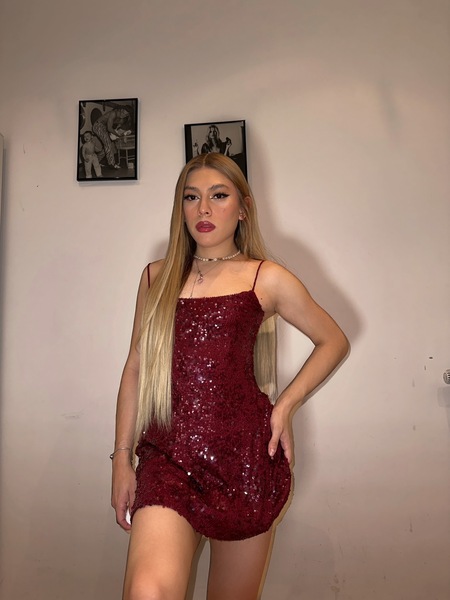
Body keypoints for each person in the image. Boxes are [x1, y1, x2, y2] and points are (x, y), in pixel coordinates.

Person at [111, 153, 349, 600]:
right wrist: (121, 458)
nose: (203, 208)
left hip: (244, 460)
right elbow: (136, 366)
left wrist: (285, 405)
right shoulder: (156, 277)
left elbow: (333, 340)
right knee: (147, 591)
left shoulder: (265, 277)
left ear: (243, 208)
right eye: (191, 197)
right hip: (167, 458)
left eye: (218, 196)